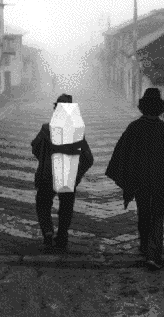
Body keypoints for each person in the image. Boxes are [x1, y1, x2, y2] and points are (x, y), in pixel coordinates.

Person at [105, 88, 164, 270]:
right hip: (161, 181)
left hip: (139, 181)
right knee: (158, 217)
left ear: (142, 106)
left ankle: (145, 247)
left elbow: (121, 154)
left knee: (144, 213)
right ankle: (154, 254)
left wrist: (126, 178)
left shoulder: (134, 128)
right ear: (160, 108)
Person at [31, 94, 94, 250]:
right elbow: (88, 158)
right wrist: (77, 174)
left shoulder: (46, 129)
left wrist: (45, 160)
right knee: (66, 207)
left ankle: (47, 231)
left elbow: (35, 147)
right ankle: (62, 236)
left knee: (43, 203)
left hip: (47, 175)